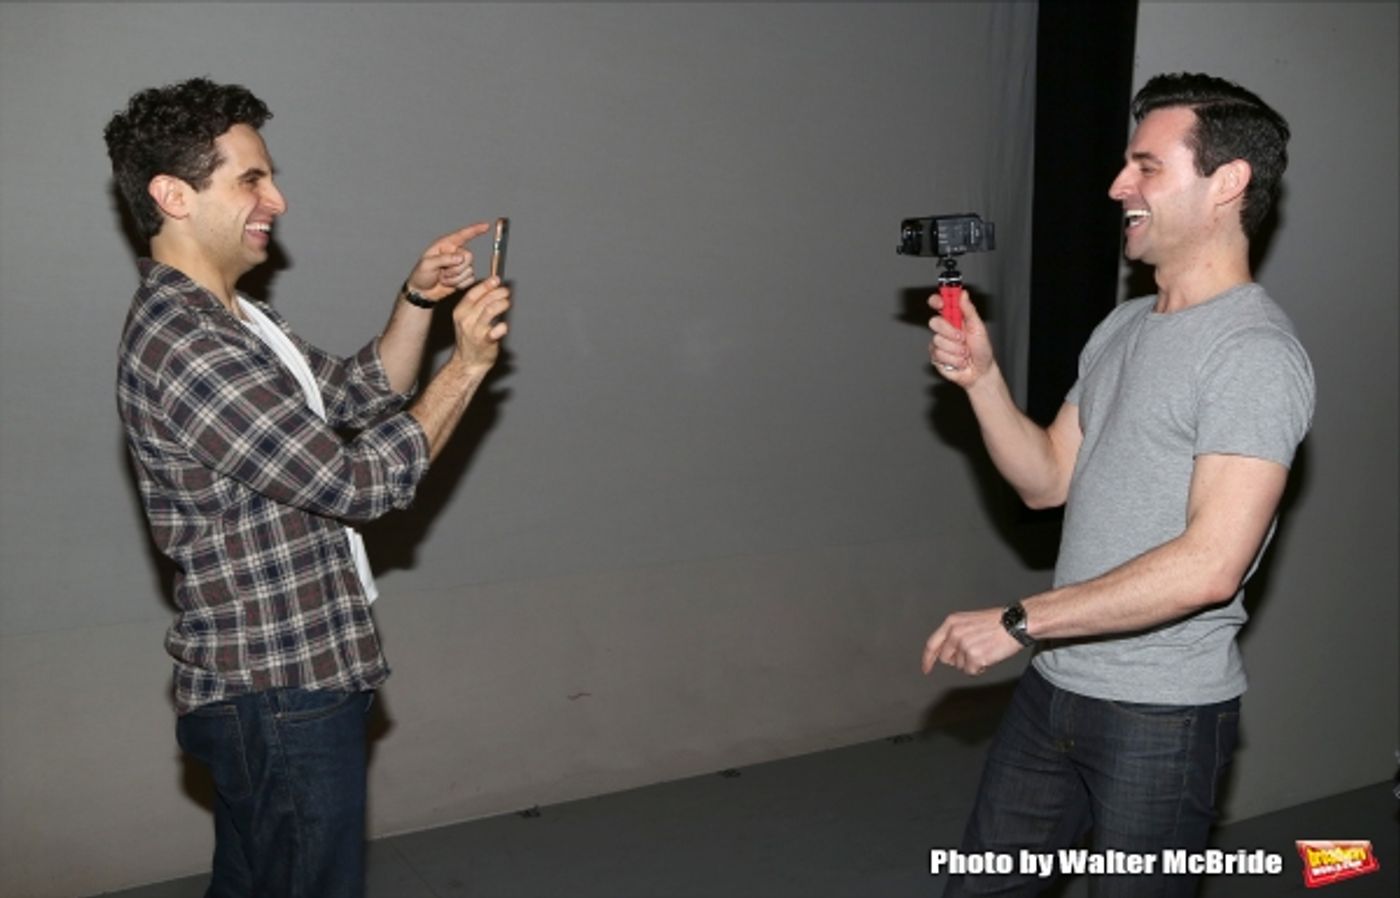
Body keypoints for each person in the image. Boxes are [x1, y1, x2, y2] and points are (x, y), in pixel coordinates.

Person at [106, 77, 510, 897]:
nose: (277, 200)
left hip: (295, 684)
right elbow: (359, 482)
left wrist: (417, 302)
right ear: (172, 195)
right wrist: (465, 369)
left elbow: (360, 392)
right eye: (250, 179)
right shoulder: (186, 343)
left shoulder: (238, 320)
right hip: (276, 691)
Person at [921, 72, 1314, 897]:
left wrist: (1021, 621)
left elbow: (1210, 565)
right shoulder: (1124, 325)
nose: (1117, 187)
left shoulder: (1253, 356)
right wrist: (984, 382)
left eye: (1146, 167)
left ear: (1227, 185)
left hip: (1161, 720)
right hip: (1055, 691)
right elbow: (1046, 481)